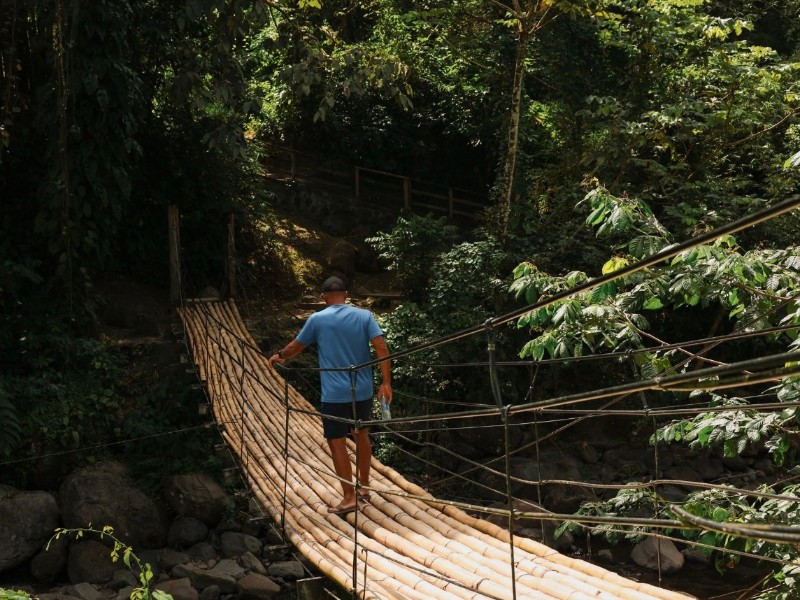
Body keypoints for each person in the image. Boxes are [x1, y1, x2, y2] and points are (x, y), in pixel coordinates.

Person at [268, 276, 392, 515]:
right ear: (346, 295)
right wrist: (386, 383)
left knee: (337, 442)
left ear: (324, 298)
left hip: (335, 394)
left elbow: (296, 347)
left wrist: (280, 355)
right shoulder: (365, 316)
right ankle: (364, 487)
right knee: (361, 434)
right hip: (363, 390)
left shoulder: (317, 319)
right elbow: (381, 347)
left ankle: (349, 497)